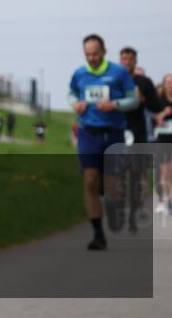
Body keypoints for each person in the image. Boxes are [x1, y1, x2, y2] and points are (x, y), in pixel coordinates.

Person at [68, 34, 139, 250]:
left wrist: (116, 104)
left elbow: (133, 100)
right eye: (88, 54)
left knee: (112, 186)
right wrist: (75, 104)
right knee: (90, 181)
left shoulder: (119, 73)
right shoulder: (80, 74)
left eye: (95, 54)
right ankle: (98, 234)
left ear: (104, 52)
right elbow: (71, 93)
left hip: (114, 133)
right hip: (88, 133)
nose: (92, 58)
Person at [116, 47, 164, 232]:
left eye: (131, 59)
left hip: (138, 134)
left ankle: (133, 214)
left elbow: (157, 106)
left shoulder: (144, 82)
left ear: (135, 62)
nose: (127, 62)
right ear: (120, 61)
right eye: (124, 59)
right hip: (116, 132)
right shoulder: (114, 80)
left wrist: (144, 100)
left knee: (136, 175)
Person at [153, 74, 172, 215]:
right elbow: (152, 119)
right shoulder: (158, 102)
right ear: (164, 85)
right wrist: (161, 116)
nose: (171, 86)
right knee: (165, 174)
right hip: (163, 140)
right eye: (168, 83)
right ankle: (168, 202)